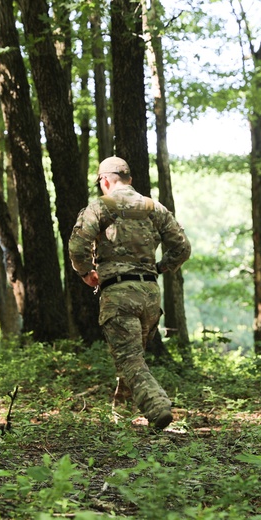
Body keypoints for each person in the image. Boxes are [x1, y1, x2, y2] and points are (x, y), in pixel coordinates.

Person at [68, 156, 191, 430]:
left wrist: (87, 273)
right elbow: (182, 248)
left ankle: (158, 406)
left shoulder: (100, 206)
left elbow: (77, 247)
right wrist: (160, 267)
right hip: (149, 295)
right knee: (131, 357)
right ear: (130, 179)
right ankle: (121, 418)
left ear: (106, 181)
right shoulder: (154, 208)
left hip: (119, 294)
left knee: (130, 359)